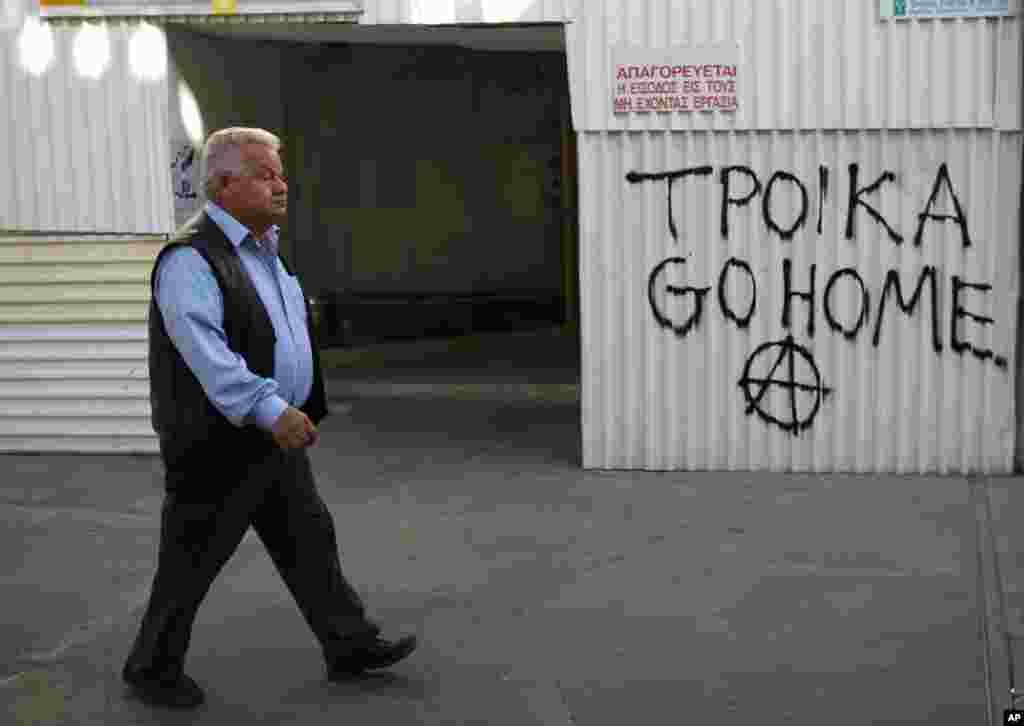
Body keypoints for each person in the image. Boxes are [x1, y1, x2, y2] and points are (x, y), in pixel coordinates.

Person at [122, 127, 416, 709]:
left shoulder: (265, 251)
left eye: (280, 173)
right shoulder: (190, 258)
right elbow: (204, 350)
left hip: (271, 437)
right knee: (192, 558)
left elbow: (277, 331)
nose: (281, 185)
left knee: (308, 537)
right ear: (224, 183)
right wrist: (267, 405)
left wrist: (293, 403)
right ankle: (151, 667)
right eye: (265, 174)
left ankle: (349, 642)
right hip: (217, 444)